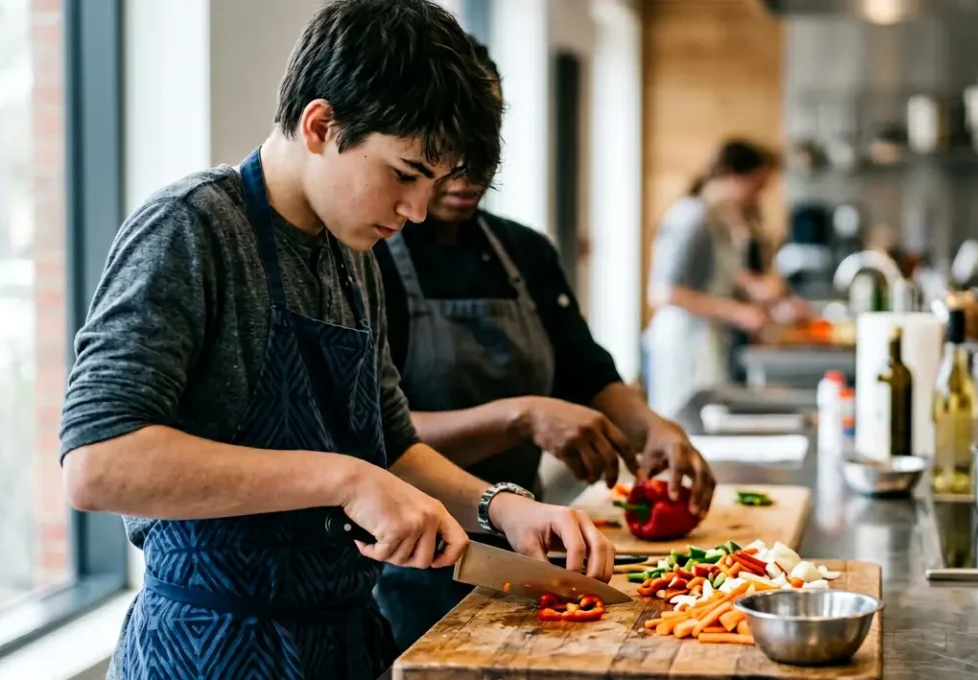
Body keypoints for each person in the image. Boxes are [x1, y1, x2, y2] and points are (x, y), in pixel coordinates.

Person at [57, 3, 613, 678]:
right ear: (322, 125)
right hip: (205, 653)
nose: (413, 212)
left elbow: (395, 443)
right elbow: (96, 464)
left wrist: (506, 510)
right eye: (404, 174)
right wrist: (344, 480)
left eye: (432, 187)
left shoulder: (354, 257)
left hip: (340, 647)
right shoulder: (190, 229)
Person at [371, 41, 717, 648]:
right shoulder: (370, 253)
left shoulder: (524, 251)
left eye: (485, 143)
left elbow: (586, 370)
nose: (468, 171)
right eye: (448, 148)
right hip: (414, 564)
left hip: (527, 543)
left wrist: (650, 427)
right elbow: (380, 433)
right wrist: (522, 417)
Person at [644, 139, 796, 416]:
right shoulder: (692, 217)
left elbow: (723, 275)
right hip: (684, 341)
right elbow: (664, 291)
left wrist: (759, 290)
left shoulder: (720, 219)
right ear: (730, 176)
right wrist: (738, 313)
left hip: (707, 339)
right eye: (756, 186)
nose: (757, 196)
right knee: (685, 420)